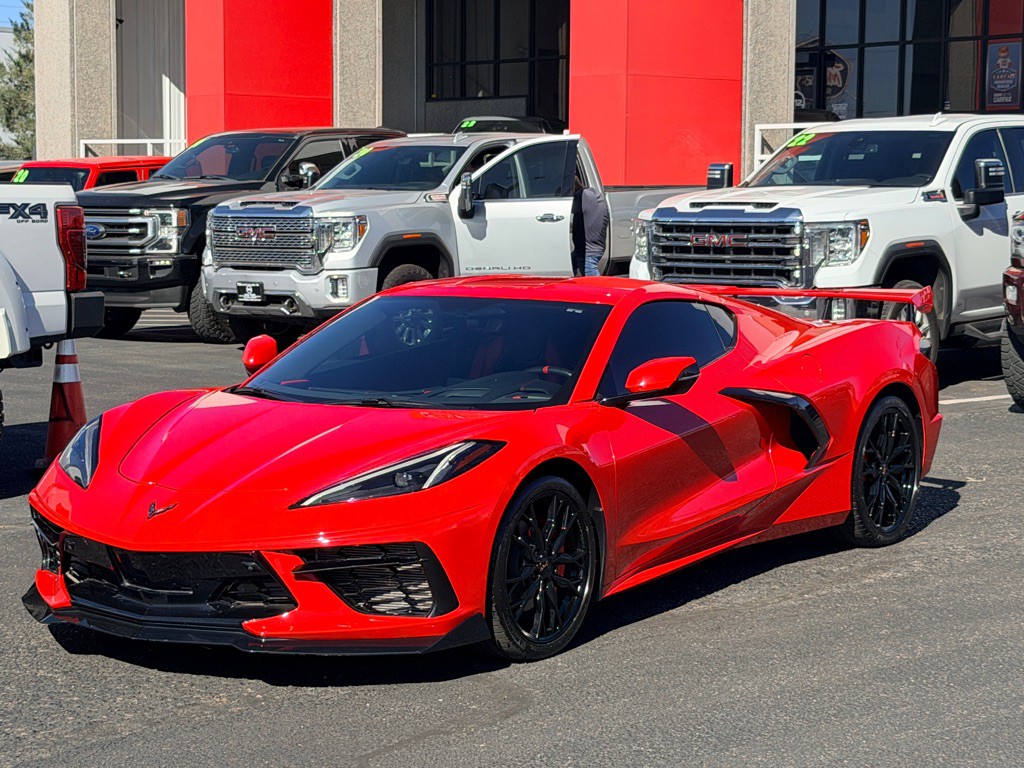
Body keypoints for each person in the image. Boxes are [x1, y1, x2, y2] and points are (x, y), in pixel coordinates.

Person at [570, 171, 609, 277]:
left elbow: (565, 210)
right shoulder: (592, 194)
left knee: (592, 280)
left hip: (588, 251)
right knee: (571, 262)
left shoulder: (582, 196)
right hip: (595, 248)